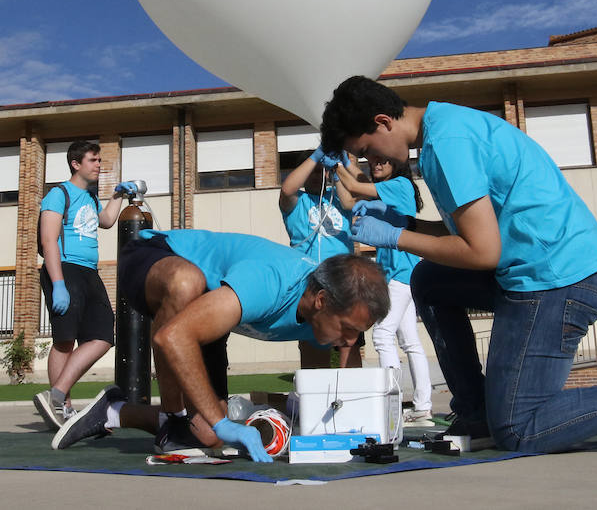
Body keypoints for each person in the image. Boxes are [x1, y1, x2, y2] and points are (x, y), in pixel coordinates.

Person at [320, 76, 597, 454]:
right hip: (534, 270)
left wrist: (395, 236)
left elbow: (481, 253)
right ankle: (476, 415)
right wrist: (409, 223)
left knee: (522, 427)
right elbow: (474, 237)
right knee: (431, 279)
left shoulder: (445, 146)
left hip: (558, 281)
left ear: (382, 122)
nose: (369, 161)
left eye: (364, 149)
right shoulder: (445, 125)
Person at [52, 229, 389, 461]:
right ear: (320, 300)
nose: (349, 341)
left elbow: (318, 398)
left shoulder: (321, 321)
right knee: (186, 283)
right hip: (154, 258)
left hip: (206, 314)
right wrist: (222, 420)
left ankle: (114, 411)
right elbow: (172, 336)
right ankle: (172, 420)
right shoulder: (270, 283)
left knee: (210, 436)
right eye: (347, 329)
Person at [30, 140, 136, 431]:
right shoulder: (58, 195)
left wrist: (117, 196)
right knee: (65, 340)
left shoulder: (89, 197)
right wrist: (58, 284)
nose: (99, 165)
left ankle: (56, 394)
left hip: (89, 272)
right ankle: (61, 406)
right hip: (64, 270)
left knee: (103, 336)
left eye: (99, 160)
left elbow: (105, 221)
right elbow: (48, 240)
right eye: (93, 160)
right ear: (76, 164)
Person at [335, 154, 435, 426]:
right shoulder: (378, 200)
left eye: (383, 161)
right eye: (373, 160)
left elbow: (357, 187)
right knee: (410, 342)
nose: (377, 164)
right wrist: (341, 166)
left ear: (397, 164)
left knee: (381, 334)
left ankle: (391, 404)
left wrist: (340, 162)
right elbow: (348, 200)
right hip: (399, 274)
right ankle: (423, 407)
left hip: (401, 274)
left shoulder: (401, 185)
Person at [278, 146, 361, 368]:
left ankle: (353, 396)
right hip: (311, 285)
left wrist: (338, 169)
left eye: (322, 171)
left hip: (344, 282)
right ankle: (316, 399)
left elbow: (357, 194)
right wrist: (315, 157)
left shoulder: (340, 199)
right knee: (313, 346)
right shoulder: (298, 202)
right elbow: (287, 191)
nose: (319, 176)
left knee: (349, 344)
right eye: (313, 171)